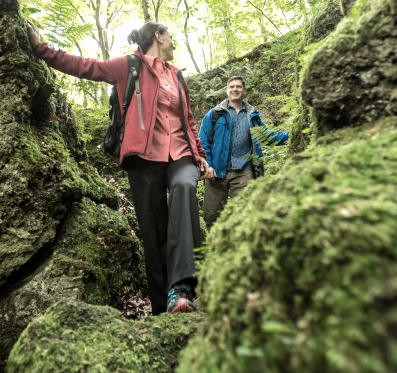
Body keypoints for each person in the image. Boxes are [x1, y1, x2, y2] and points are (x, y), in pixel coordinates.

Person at [26, 20, 209, 315]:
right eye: (171, 37)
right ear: (159, 37)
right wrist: (41, 48)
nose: (174, 43)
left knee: (185, 187)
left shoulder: (177, 76)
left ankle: (182, 289)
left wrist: (199, 153)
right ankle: (164, 308)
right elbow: (86, 66)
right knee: (153, 230)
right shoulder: (129, 66)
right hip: (144, 156)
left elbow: (188, 121)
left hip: (181, 155)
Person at [198, 76, 289, 228]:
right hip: (216, 173)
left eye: (238, 87)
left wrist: (290, 136)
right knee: (211, 216)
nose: (235, 89)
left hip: (243, 171)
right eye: (231, 86)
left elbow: (265, 135)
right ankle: (214, 247)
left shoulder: (252, 115)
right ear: (227, 91)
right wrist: (209, 166)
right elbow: (203, 141)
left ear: (244, 91)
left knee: (247, 212)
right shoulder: (214, 114)